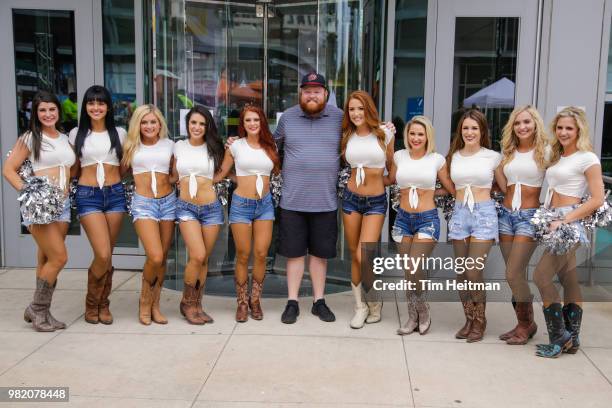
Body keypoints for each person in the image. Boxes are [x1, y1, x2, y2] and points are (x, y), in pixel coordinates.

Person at [533, 107, 604, 358]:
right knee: (569, 278)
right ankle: (572, 339)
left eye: (569, 128)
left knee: (541, 276)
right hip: (555, 220)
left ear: (579, 130)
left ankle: (559, 337)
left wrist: (565, 220)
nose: (563, 132)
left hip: (569, 223)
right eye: (560, 127)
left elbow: (597, 198)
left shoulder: (588, 158)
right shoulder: (558, 155)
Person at [3, 91, 76, 332]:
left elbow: (70, 169)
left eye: (51, 109)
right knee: (59, 257)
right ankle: (37, 307)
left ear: (58, 111)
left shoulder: (64, 138)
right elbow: (8, 169)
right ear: (35, 113)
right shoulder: (30, 138)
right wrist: (31, 193)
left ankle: (42, 312)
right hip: (40, 206)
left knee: (46, 258)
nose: (47, 114)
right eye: (42, 110)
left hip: (62, 205)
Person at [389, 116, 454, 335]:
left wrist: (431, 192)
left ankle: (423, 311)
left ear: (428, 137)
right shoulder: (399, 156)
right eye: (412, 133)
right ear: (407, 135)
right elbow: (389, 179)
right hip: (402, 219)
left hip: (427, 219)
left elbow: (451, 189)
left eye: (420, 134)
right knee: (409, 271)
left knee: (415, 266)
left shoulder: (436, 160)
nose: (416, 138)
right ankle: (412, 317)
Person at [215, 105, 281, 322]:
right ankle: (242, 302)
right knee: (243, 255)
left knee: (261, 254)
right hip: (241, 204)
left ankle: (255, 300)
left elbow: (277, 174)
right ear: (242, 124)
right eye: (248, 121)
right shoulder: (235, 146)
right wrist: (192, 176)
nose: (252, 124)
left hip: (265, 205)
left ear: (262, 122)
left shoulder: (270, 146)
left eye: (256, 120)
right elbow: (222, 173)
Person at [70, 85, 127, 325]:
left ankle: (104, 304)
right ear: (85, 107)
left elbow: (125, 167)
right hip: (88, 194)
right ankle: (92, 303)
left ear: (108, 107)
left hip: (114, 194)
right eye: (91, 103)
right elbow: (73, 168)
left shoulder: (120, 133)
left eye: (100, 103)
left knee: (108, 255)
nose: (96, 107)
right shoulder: (75, 134)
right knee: (102, 253)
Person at [446, 109, 502, 342]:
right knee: (461, 273)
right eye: (466, 128)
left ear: (482, 131)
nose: (469, 132)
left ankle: (480, 321)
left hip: (483, 214)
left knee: (473, 270)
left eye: (474, 128)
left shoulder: (492, 156)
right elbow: (449, 185)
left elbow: (505, 187)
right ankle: (469, 319)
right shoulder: (454, 155)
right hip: (459, 213)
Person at [340, 90, 394, 329]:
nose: (356, 113)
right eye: (352, 109)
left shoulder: (385, 134)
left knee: (365, 255)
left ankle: (374, 300)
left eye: (360, 108)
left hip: (375, 202)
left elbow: (392, 171)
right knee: (355, 254)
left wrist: (377, 182)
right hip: (351, 199)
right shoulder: (347, 135)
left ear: (368, 109)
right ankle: (361, 307)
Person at [495, 106, 549, 345]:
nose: (522, 127)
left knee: (513, 272)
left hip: (529, 217)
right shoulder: (508, 151)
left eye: (527, 122)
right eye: (517, 123)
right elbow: (502, 181)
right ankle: (524, 323)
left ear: (535, 124)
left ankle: (527, 324)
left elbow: (559, 180)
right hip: (506, 216)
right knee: (513, 276)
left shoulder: (545, 152)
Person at [122, 104, 176, 325]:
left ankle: (155, 304)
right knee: (154, 255)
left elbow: (174, 175)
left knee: (162, 258)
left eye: (153, 122)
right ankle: (144, 302)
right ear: (138, 124)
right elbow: (117, 173)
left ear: (160, 123)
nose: (149, 126)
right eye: (144, 122)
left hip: (168, 202)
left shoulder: (170, 145)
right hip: (143, 204)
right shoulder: (130, 146)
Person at [174, 106, 224, 324]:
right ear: (187, 124)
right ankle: (187, 302)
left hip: (211, 209)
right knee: (197, 255)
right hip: (186, 207)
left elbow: (223, 171)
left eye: (202, 124)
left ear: (208, 127)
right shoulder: (178, 146)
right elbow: (170, 174)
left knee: (204, 261)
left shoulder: (214, 147)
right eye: (193, 123)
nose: (197, 127)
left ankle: (197, 304)